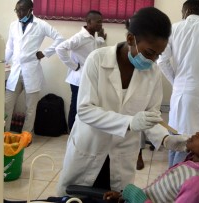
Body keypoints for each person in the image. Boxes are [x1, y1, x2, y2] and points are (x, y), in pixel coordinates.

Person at [57, 7, 173, 195]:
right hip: (90, 146)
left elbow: (151, 117)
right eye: (150, 52)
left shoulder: (153, 72)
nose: (153, 60)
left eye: (158, 55)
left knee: (116, 197)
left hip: (123, 154)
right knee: (76, 197)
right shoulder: (97, 59)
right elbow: (85, 110)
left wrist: (167, 138)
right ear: (130, 39)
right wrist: (129, 122)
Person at [103, 122, 199, 203]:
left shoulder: (198, 183)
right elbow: (157, 194)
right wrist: (126, 196)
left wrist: (137, 197)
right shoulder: (190, 165)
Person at [157, 0, 199, 167]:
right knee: (192, 141)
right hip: (198, 93)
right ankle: (180, 181)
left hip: (178, 92)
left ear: (186, 10)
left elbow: (162, 61)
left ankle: (171, 176)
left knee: (175, 138)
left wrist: (176, 82)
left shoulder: (174, 28)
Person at [4, 0, 65, 134]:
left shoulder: (41, 25)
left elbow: (60, 38)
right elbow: (10, 46)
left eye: (22, 10)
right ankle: (4, 133)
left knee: (30, 108)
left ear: (31, 9)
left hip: (31, 71)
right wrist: (0, 62)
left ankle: (26, 135)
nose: (19, 14)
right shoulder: (13, 25)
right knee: (7, 104)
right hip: (15, 71)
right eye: (17, 10)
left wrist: (45, 53)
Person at [55, 10, 107, 132]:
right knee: (76, 106)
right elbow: (60, 48)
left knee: (84, 107)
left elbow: (93, 45)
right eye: (98, 22)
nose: (101, 25)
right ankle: (72, 131)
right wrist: (73, 66)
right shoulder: (79, 37)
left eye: (101, 22)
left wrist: (101, 39)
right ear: (89, 22)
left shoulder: (91, 36)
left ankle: (79, 131)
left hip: (86, 78)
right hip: (78, 79)